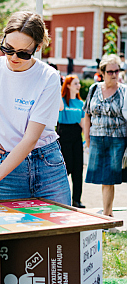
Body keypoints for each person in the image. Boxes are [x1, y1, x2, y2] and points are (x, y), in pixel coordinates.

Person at [0, 10, 71, 207]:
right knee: (11, 235)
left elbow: (30, 139)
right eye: (7, 49)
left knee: (60, 232)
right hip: (7, 163)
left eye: (23, 53)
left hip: (46, 162)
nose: (13, 57)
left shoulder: (48, 76)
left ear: (38, 47)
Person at [83, 54, 127, 217]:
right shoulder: (94, 89)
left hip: (117, 139)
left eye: (117, 71)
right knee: (103, 178)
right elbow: (87, 114)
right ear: (102, 72)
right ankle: (107, 212)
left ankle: (107, 213)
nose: (115, 74)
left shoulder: (123, 91)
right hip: (96, 138)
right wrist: (87, 139)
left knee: (109, 178)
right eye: (110, 71)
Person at [58, 75, 85, 208]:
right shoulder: (62, 101)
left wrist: (87, 140)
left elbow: (83, 123)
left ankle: (77, 200)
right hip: (64, 134)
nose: (78, 86)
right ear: (68, 85)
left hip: (76, 134)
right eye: (75, 83)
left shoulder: (81, 103)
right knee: (67, 166)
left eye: (79, 83)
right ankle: (61, 197)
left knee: (78, 168)